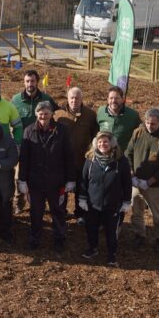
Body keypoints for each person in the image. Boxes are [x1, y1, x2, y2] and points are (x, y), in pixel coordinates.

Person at [18, 101, 76, 251]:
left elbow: (69, 155)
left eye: (46, 113)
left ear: (51, 114)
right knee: (36, 212)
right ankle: (34, 238)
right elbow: (24, 158)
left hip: (56, 180)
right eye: (40, 113)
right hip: (35, 181)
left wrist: (70, 179)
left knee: (58, 211)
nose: (43, 116)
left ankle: (59, 239)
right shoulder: (29, 131)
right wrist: (22, 180)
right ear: (37, 114)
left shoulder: (62, 130)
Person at [78, 131, 132, 267]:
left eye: (106, 141)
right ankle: (92, 248)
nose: (103, 144)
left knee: (111, 231)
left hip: (112, 204)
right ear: (96, 144)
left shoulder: (121, 161)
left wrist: (126, 201)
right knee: (91, 227)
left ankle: (112, 254)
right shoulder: (90, 160)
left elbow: (127, 182)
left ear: (112, 143)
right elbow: (83, 180)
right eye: (100, 142)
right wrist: (82, 199)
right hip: (92, 203)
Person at [126, 107, 159, 252]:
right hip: (136, 181)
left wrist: (150, 181)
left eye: (153, 124)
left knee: (157, 214)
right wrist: (131, 174)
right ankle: (139, 234)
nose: (149, 126)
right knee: (136, 210)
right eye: (147, 122)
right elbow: (129, 152)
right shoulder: (138, 132)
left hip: (154, 186)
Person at [10, 70, 58, 214]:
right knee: (19, 175)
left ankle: (42, 201)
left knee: (42, 172)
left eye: (32, 81)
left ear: (37, 82)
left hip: (43, 143)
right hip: (23, 143)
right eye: (27, 81)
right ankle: (19, 202)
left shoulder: (46, 98)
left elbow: (55, 116)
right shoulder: (16, 100)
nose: (30, 84)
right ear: (24, 82)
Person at [54, 86, 98, 225]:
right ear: (67, 99)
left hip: (82, 159)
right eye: (72, 97)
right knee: (62, 188)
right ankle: (61, 212)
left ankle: (80, 214)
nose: (74, 100)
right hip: (63, 161)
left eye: (77, 98)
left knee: (81, 187)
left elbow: (95, 136)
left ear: (82, 99)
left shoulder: (90, 115)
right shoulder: (58, 115)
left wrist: (91, 153)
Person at [96, 85, 141, 152]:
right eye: (111, 98)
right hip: (104, 155)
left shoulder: (133, 115)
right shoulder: (101, 112)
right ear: (107, 100)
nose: (114, 101)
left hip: (123, 156)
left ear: (123, 100)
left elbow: (139, 135)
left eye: (117, 98)